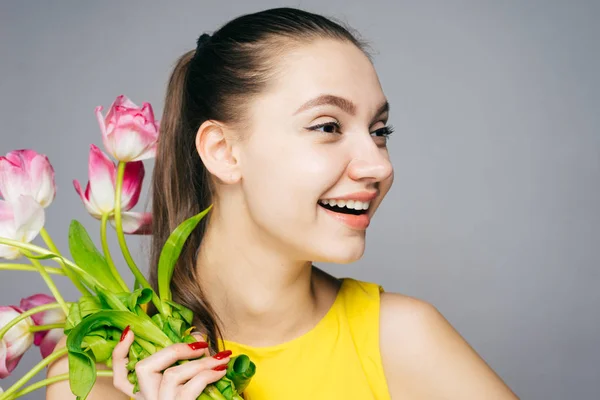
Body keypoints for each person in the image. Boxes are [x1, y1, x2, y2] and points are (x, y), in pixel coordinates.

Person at [46, 7, 519, 400]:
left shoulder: (403, 339)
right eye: (328, 126)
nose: (378, 166)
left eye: (380, 132)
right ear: (223, 152)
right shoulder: (99, 377)